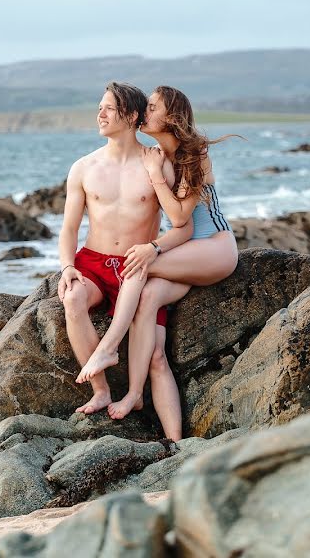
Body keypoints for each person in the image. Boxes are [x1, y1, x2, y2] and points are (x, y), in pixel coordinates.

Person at [75, 85, 239, 441]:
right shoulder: (158, 155)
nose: (144, 112)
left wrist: (153, 245)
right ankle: (171, 437)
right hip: (183, 257)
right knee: (152, 327)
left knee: (139, 264)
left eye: (152, 107)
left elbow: (183, 218)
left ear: (172, 116)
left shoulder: (195, 154)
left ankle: (107, 348)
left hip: (213, 248)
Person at [57, 82, 194, 415]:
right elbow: (69, 228)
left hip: (136, 267)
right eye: (99, 107)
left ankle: (137, 396)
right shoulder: (84, 167)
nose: (100, 114)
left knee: (156, 353)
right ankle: (100, 389)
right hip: (92, 262)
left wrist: (154, 249)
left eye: (109, 108)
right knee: (72, 298)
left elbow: (183, 225)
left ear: (132, 115)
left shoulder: (156, 163)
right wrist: (66, 266)